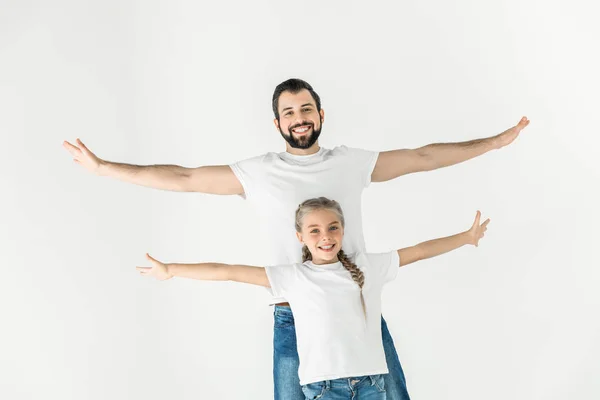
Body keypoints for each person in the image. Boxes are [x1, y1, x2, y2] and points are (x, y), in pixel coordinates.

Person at [63, 78, 529, 400]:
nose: (299, 117)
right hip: (292, 313)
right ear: (278, 124)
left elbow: (424, 156)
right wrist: (105, 168)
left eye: (306, 108)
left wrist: (492, 143)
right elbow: (183, 177)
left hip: (357, 307)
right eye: (289, 112)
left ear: (320, 114)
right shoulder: (258, 173)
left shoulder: (351, 162)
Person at [136, 197, 490, 399]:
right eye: (315, 230)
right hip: (324, 390)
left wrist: (466, 237)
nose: (326, 236)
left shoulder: (369, 267)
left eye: (333, 227)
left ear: (343, 230)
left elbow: (419, 250)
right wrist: (170, 269)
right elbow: (227, 270)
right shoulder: (292, 278)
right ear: (300, 236)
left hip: (373, 385)